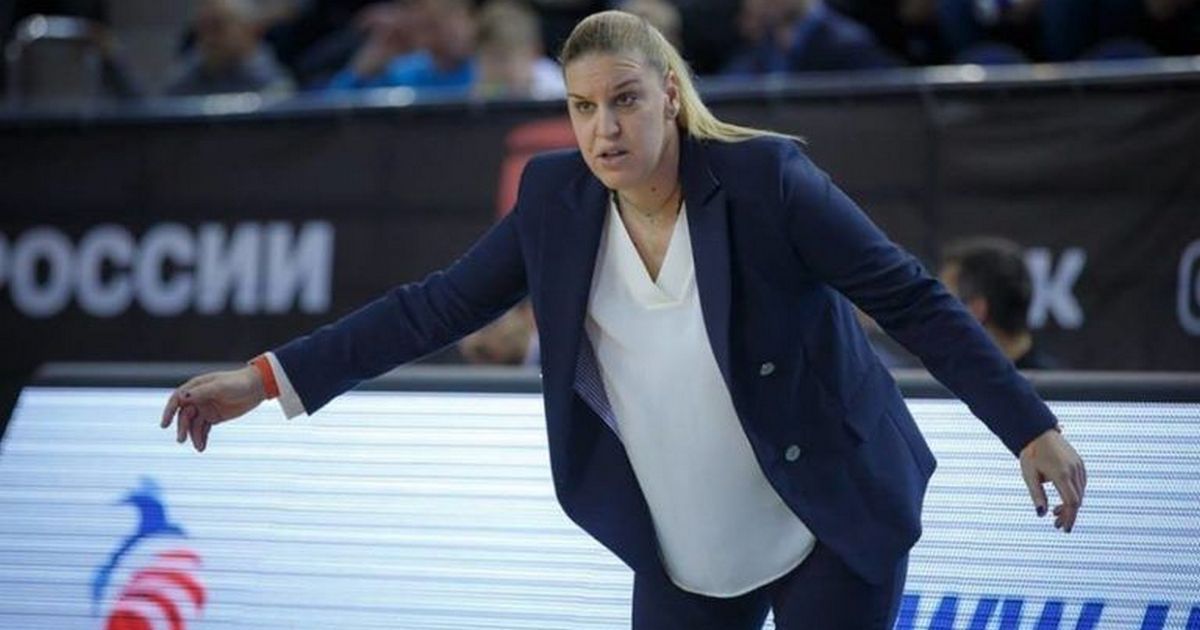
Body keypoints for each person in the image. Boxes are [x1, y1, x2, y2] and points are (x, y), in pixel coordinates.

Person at [161, 10, 1086, 628]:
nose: (603, 128)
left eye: (625, 100)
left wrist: (1028, 425)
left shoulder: (769, 181)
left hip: (827, 513)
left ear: (670, 95)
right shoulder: (554, 202)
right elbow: (431, 308)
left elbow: (911, 297)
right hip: (685, 535)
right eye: (582, 107)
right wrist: (264, 378)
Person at [939, 237, 1062, 370]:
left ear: (976, 309)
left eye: (942, 299)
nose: (935, 311)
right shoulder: (1063, 380)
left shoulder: (936, 380)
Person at [164, 0, 295, 97]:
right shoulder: (183, 82)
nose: (208, 37)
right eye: (203, 27)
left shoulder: (275, 89)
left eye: (217, 27)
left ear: (249, 30)